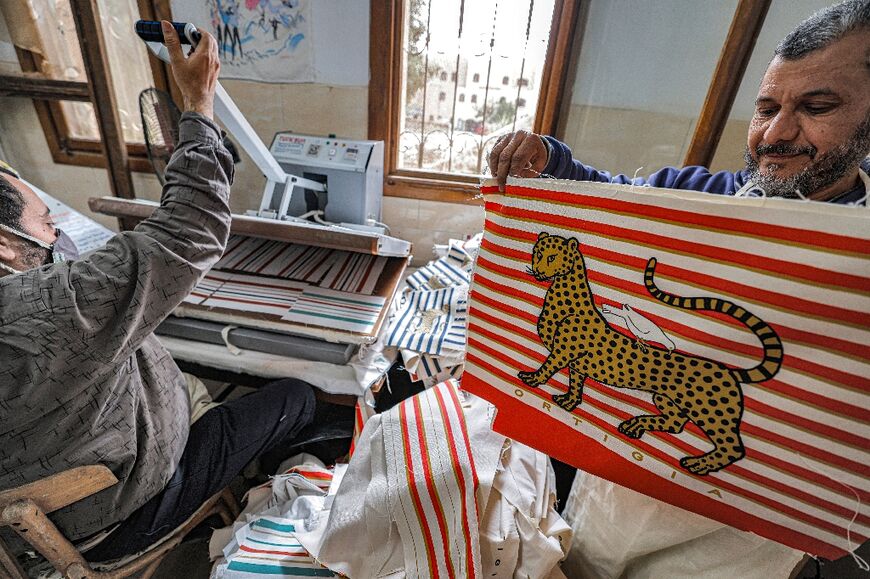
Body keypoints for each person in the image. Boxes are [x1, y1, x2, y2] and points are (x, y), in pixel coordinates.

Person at [488, 1, 868, 577]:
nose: (779, 132)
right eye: (766, 108)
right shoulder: (693, 199)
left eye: (817, 107)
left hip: (739, 537)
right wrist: (546, 158)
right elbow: (603, 202)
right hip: (617, 488)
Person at [0, 22, 346, 563]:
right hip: (118, 510)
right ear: (5, 243)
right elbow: (190, 227)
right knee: (295, 397)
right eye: (48, 223)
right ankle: (271, 489)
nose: (56, 234)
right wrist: (199, 101)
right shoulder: (54, 305)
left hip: (31, 512)